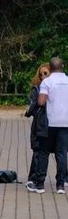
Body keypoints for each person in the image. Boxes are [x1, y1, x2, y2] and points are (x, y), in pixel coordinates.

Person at [38, 57, 68, 194]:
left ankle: (40, 184)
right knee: (61, 154)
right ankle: (61, 184)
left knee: (44, 153)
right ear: (62, 66)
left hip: (50, 123)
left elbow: (41, 101)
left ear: (50, 68)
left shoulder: (47, 82)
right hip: (65, 122)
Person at [25, 63, 51, 194]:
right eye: (41, 74)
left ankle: (62, 178)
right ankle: (33, 178)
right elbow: (30, 110)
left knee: (60, 151)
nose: (43, 76)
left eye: (45, 73)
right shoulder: (37, 89)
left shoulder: (57, 87)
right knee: (38, 151)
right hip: (39, 123)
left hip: (54, 124)